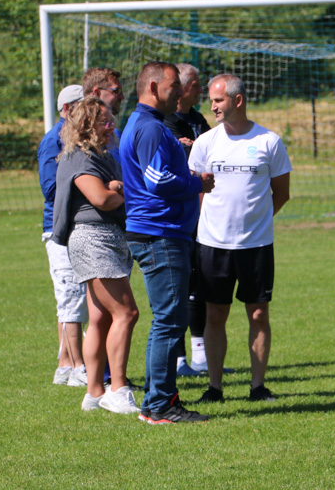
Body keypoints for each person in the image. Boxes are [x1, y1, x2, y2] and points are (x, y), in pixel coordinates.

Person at [119, 61, 214, 425]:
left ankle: (163, 399)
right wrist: (197, 183)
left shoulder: (144, 124)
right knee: (169, 320)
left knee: (169, 318)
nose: (180, 91)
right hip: (160, 233)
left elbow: (156, 176)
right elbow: (158, 181)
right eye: (174, 85)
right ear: (154, 87)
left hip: (160, 231)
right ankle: (158, 405)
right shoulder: (151, 128)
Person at [189, 73, 292, 404]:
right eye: (211, 100)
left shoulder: (269, 142)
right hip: (212, 244)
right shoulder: (206, 142)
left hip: (256, 246)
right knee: (215, 315)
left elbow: (282, 193)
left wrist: (254, 221)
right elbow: (197, 192)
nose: (212, 106)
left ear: (238, 100)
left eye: (218, 100)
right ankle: (214, 388)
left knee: (258, 314)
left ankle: (258, 387)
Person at [52, 97, 140, 414]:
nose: (111, 126)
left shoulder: (101, 155)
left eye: (111, 120)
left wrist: (118, 185)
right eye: (104, 121)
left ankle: (93, 393)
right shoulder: (79, 157)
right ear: (87, 124)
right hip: (93, 239)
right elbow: (101, 198)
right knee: (127, 313)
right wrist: (122, 188)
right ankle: (118, 388)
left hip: (108, 238)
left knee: (100, 318)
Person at [38, 84, 88, 388]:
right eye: (82, 106)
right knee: (71, 297)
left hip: (76, 226)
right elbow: (51, 188)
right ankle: (78, 367)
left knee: (70, 297)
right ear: (67, 109)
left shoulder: (77, 138)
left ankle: (65, 365)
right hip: (59, 229)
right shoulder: (53, 141)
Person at [164, 63, 211, 377]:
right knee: (177, 287)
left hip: (203, 213)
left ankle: (200, 356)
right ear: (181, 88)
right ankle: (179, 358)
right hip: (177, 216)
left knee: (200, 285)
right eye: (196, 85)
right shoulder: (165, 123)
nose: (200, 90)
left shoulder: (198, 120)